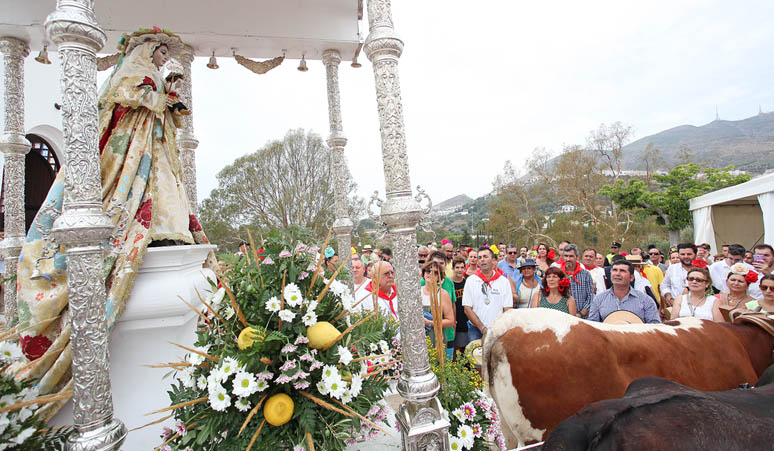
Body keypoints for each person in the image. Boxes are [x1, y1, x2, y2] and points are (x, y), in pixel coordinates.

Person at [17, 28, 214, 378]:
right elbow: (126, 94)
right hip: (131, 153)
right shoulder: (131, 71)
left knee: (168, 194)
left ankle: (168, 230)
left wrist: (168, 100)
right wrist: (157, 98)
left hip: (156, 150)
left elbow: (158, 106)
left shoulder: (153, 75)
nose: (161, 58)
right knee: (132, 192)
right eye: (160, 52)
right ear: (147, 49)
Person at [587, 260, 661, 324]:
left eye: (622, 271)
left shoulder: (646, 300)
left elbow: (654, 326)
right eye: (615, 270)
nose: (617, 274)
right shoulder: (599, 299)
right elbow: (592, 326)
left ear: (631, 277)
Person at [462, 246, 512, 340]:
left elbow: (508, 309)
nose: (482, 260)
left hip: (498, 331)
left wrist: (499, 328)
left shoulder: (503, 281)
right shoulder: (471, 280)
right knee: (474, 355)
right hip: (475, 330)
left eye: (485, 257)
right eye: (479, 257)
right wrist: (482, 328)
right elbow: (467, 309)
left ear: (493, 260)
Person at [553, 244, 594, 317]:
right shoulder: (557, 274)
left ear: (577, 257)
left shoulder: (586, 275)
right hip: (561, 316)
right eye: (566, 256)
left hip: (582, 317)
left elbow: (590, 296)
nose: (568, 259)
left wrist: (582, 313)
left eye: (571, 256)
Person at [421, 261, 455, 346]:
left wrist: (430, 323)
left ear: (439, 277)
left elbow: (450, 321)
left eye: (435, 273)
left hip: (437, 339)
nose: (431, 274)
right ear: (423, 274)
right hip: (419, 340)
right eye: (428, 271)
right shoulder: (417, 292)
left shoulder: (443, 294)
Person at [661, 243, 697, 309]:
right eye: (682, 254)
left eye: (689, 254)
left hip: (697, 306)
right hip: (676, 306)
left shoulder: (702, 269)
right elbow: (665, 285)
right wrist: (668, 295)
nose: (686, 256)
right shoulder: (672, 268)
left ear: (695, 255)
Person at [450, 257, 469, 354]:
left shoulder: (468, 282)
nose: (460, 270)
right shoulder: (449, 283)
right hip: (452, 319)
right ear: (453, 269)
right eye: (457, 267)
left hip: (463, 320)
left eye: (462, 267)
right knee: (452, 347)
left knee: (462, 348)